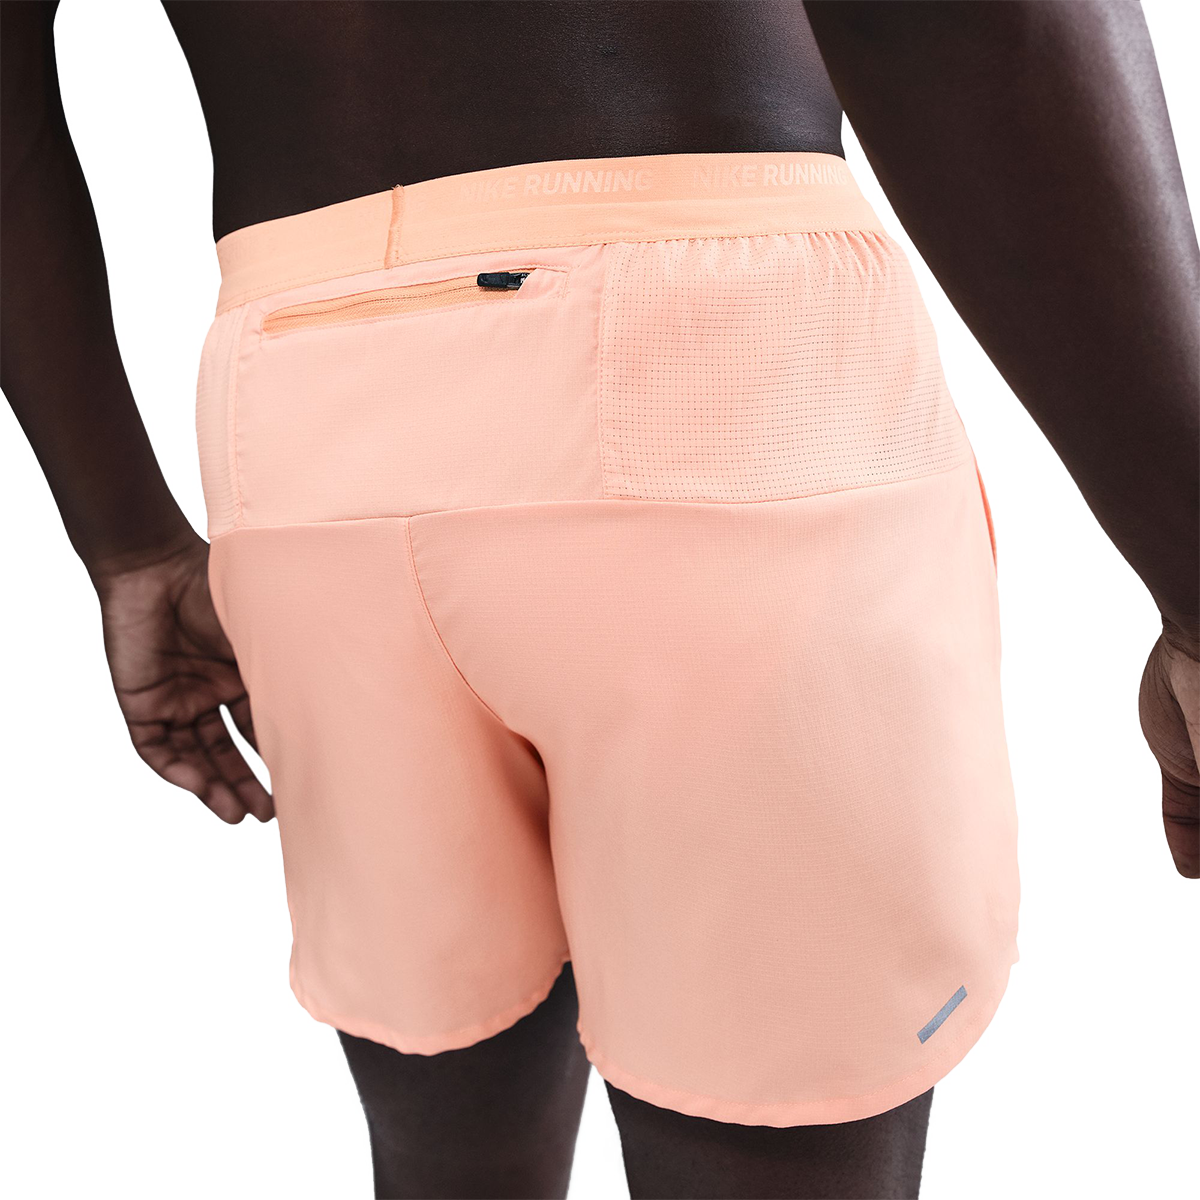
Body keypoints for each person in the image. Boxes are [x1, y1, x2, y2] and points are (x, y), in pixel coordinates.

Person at [2, 1, 1198, 1197]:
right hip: (721, 371)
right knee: (769, 1130)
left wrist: (129, 544)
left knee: (449, 1148)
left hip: (297, 407)